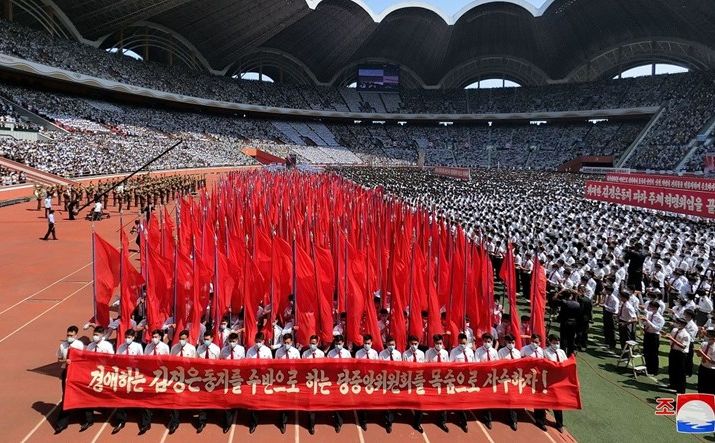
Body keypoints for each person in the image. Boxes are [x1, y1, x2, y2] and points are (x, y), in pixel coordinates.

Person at [53, 325, 86, 434]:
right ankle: (62, 423)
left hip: (77, 373)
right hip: (66, 373)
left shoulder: (79, 345)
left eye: (71, 335)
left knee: (80, 395)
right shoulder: (63, 345)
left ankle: (85, 419)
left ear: (76, 335)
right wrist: (64, 361)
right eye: (68, 335)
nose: (69, 337)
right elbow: (58, 359)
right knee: (66, 396)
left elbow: (83, 359)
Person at [112, 330, 144, 434]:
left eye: (129, 336)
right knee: (121, 398)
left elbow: (142, 361)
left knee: (139, 398)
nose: (127, 338)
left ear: (133, 337)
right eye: (126, 336)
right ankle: (120, 421)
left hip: (135, 374)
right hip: (124, 376)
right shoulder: (121, 347)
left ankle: (143, 422)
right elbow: (116, 360)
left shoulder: (138, 346)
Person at [167, 330, 197, 434]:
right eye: (180, 339)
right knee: (175, 398)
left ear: (187, 339)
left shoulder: (192, 349)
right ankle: (175, 421)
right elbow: (170, 360)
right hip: (176, 376)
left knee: (187, 397)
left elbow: (195, 363)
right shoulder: (174, 348)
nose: (181, 341)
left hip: (187, 376)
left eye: (183, 339)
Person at [245, 332, 272, 433]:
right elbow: (246, 363)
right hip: (253, 379)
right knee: (253, 401)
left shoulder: (267, 351)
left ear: (263, 341)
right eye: (256, 341)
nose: (257, 343)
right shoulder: (250, 351)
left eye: (259, 342)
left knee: (263, 398)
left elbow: (271, 364)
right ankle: (253, 422)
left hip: (264, 378)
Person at [194, 331, 221, 433]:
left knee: (214, 397)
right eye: (204, 339)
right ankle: (201, 421)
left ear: (212, 339)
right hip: (202, 377)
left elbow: (219, 362)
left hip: (213, 377)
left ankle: (214, 413)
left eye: (207, 339)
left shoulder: (216, 349)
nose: (206, 341)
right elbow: (196, 362)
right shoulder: (199, 349)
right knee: (202, 399)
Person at [275, 333, 300, 434]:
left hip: (292, 379)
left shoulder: (296, 352)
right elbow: (275, 365)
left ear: (292, 342)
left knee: (291, 399)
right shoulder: (278, 352)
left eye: (288, 343)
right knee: (282, 401)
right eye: (285, 343)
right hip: (282, 379)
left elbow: (299, 366)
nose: (286, 345)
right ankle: (283, 422)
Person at [424, 334, 450, 432]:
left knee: (443, 401)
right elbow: (425, 366)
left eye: (440, 343)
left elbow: (448, 366)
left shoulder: (445, 353)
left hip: (442, 380)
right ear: (433, 343)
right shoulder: (428, 353)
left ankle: (442, 421)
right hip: (432, 380)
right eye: (437, 343)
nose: (439, 345)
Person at [449, 333, 473, 432]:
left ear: (466, 341)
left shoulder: (471, 351)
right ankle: (464, 421)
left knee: (466, 399)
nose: (462, 344)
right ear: (458, 342)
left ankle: (462, 413)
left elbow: (475, 364)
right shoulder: (454, 352)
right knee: (461, 398)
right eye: (461, 343)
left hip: (469, 378)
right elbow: (450, 365)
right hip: (458, 379)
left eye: (464, 343)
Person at [542, 335, 566, 433]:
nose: (556, 345)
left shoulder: (561, 352)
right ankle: (541, 420)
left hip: (559, 381)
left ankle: (559, 424)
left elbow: (566, 363)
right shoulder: (545, 352)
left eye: (557, 343)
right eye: (554, 343)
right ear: (550, 342)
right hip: (549, 380)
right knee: (544, 400)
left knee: (557, 402)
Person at [354, 334, 378, 431]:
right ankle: (363, 420)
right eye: (365, 343)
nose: (366, 345)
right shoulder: (358, 353)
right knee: (363, 400)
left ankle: (368, 414)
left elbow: (378, 366)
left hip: (372, 379)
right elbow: (355, 366)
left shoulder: (375, 353)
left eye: (368, 343)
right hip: (362, 379)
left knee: (370, 399)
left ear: (371, 343)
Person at [474, 333, 499, 429]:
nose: (487, 343)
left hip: (492, 377)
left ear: (492, 342)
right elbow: (476, 364)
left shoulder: (494, 352)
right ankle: (487, 418)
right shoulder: (478, 351)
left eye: (489, 342)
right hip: (483, 377)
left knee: (491, 397)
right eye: (485, 341)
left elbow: (497, 363)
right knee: (486, 397)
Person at [327, 335, 351, 432]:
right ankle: (338, 422)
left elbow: (350, 366)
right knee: (336, 401)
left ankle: (340, 416)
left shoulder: (347, 353)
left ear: (343, 344)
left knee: (342, 400)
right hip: (334, 381)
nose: (338, 346)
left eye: (340, 344)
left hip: (344, 380)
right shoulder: (330, 354)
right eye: (336, 344)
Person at [301, 335, 325, 434]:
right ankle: (311, 425)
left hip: (318, 381)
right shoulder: (305, 354)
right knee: (311, 403)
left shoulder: (321, 354)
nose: (312, 345)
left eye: (314, 343)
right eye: (311, 343)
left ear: (317, 343)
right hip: (308, 381)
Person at [402, 335, 426, 433]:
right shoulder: (405, 354)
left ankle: (417, 423)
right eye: (412, 344)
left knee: (419, 403)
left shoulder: (421, 354)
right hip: (409, 380)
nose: (414, 345)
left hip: (419, 381)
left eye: (416, 344)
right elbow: (404, 367)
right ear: (409, 344)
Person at [497, 334, 521, 431]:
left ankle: (513, 418)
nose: (511, 344)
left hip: (515, 379)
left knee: (513, 399)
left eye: (513, 342)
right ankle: (513, 420)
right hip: (505, 378)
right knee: (510, 398)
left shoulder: (518, 352)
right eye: (509, 342)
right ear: (505, 342)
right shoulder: (501, 352)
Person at [379, 335, 402, 433]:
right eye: (389, 344)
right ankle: (388, 422)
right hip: (385, 380)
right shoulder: (382, 354)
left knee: (394, 400)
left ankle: (391, 416)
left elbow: (401, 366)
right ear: (386, 345)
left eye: (393, 344)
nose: (391, 346)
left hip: (395, 380)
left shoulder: (398, 354)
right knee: (388, 402)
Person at [665, 317, 691, 394]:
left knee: (680, 372)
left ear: (683, 325)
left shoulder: (686, 335)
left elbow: (683, 346)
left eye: (679, 323)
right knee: (672, 369)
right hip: (673, 351)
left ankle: (681, 390)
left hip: (681, 354)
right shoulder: (674, 330)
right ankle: (673, 384)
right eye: (677, 322)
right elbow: (671, 338)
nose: (677, 324)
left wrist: (672, 339)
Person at [640, 301, 664, 375]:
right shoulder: (649, 314)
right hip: (647, 334)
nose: (650, 308)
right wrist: (644, 322)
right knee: (646, 352)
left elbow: (657, 328)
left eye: (651, 307)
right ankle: (646, 367)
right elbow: (646, 323)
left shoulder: (660, 318)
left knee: (653, 354)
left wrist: (648, 322)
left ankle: (654, 370)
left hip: (654, 336)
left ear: (656, 308)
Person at [696, 328, 715, 394]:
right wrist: (698, 352)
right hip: (702, 367)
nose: (709, 338)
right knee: (700, 386)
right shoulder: (704, 344)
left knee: (709, 389)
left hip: (711, 371)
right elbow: (699, 355)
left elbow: (713, 362)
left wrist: (702, 354)